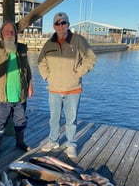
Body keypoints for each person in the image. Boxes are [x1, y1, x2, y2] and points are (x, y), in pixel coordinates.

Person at [38, 12, 96, 158]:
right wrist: (47, 76)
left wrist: (79, 72)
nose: (61, 25)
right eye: (58, 23)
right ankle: (53, 141)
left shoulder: (78, 40)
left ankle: (71, 144)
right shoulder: (49, 43)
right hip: (54, 88)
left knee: (71, 119)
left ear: (68, 24)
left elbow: (90, 58)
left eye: (63, 22)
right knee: (54, 118)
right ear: (54, 26)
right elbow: (41, 62)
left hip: (73, 88)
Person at [0, 21, 33, 153]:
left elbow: (27, 69)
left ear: (16, 34)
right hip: (0, 94)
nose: (10, 33)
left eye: (12, 31)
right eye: (7, 30)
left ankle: (20, 143)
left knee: (20, 120)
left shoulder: (22, 49)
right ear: (2, 33)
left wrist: (30, 85)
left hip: (19, 94)